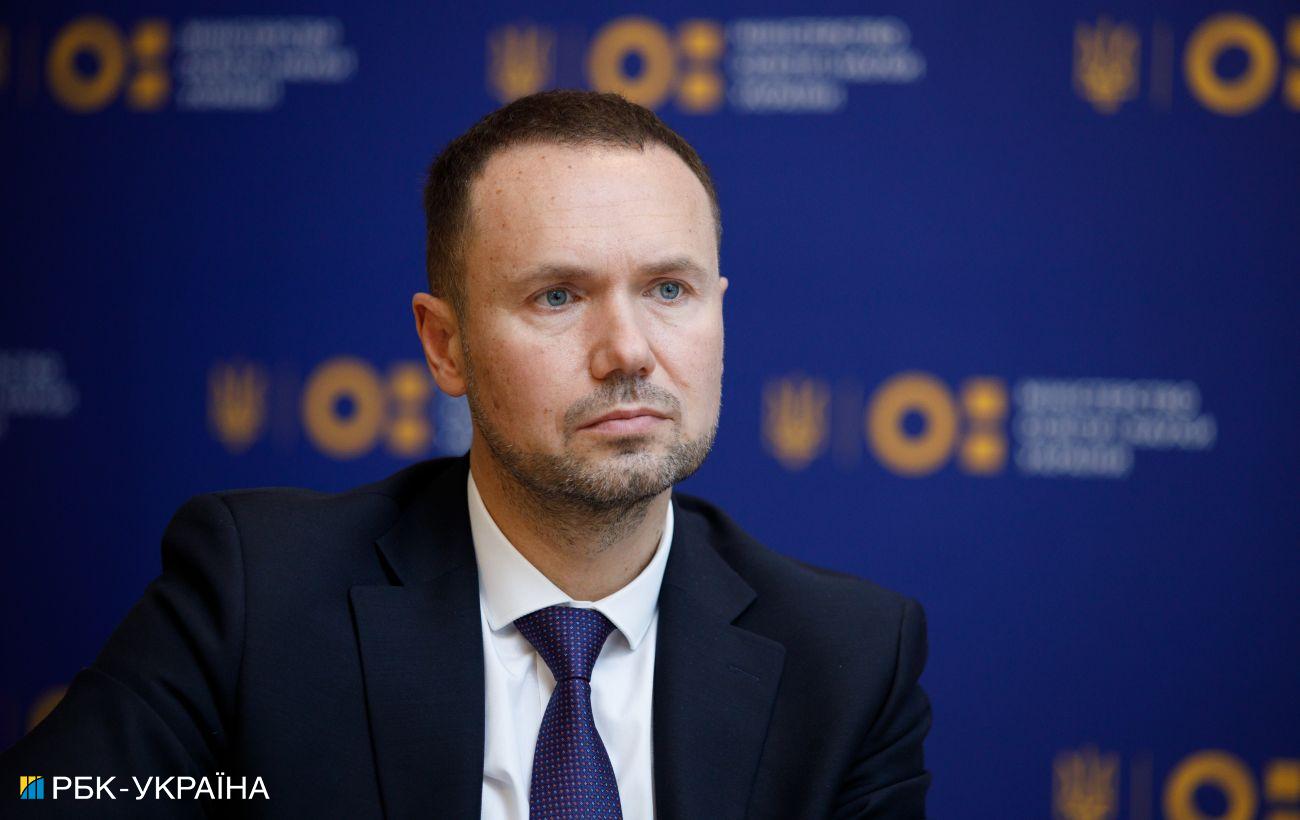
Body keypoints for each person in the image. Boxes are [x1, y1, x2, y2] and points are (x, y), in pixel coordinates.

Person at [1, 90, 930, 818]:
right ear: (444, 346)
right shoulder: (256, 594)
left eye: (668, 290)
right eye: (558, 296)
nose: (629, 351)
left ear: (719, 312)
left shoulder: (849, 658)